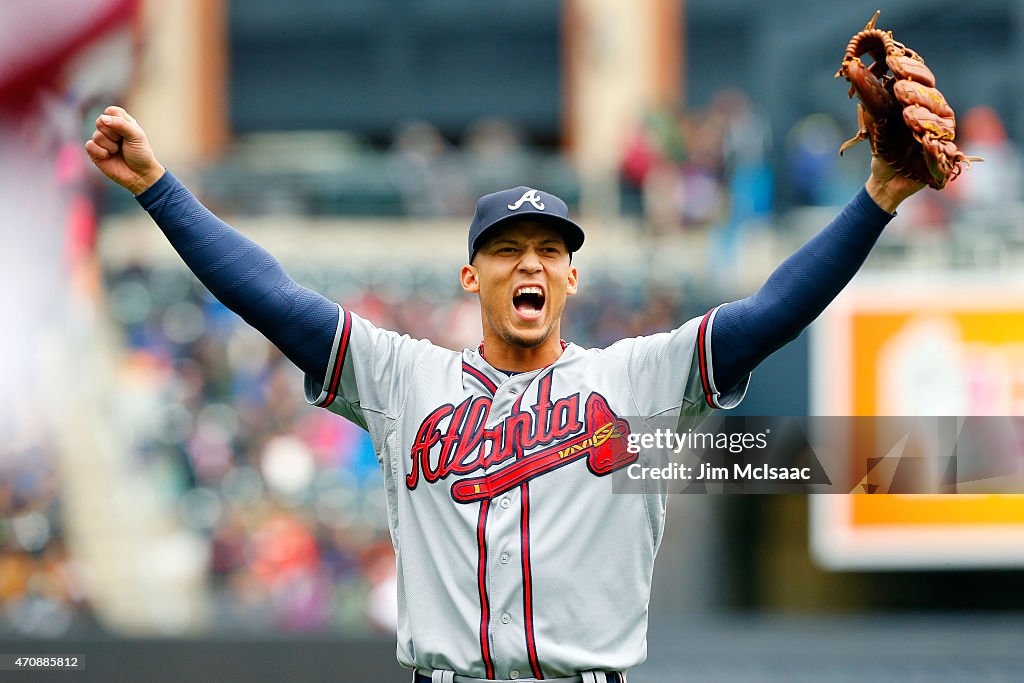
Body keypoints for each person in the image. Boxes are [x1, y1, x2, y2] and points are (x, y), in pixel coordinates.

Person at [86, 105, 921, 682]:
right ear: (470, 273)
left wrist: (876, 200)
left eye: (549, 249)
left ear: (572, 274)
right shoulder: (403, 376)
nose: (529, 262)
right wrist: (159, 188)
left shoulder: (638, 378)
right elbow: (271, 295)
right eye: (507, 247)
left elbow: (771, 312)